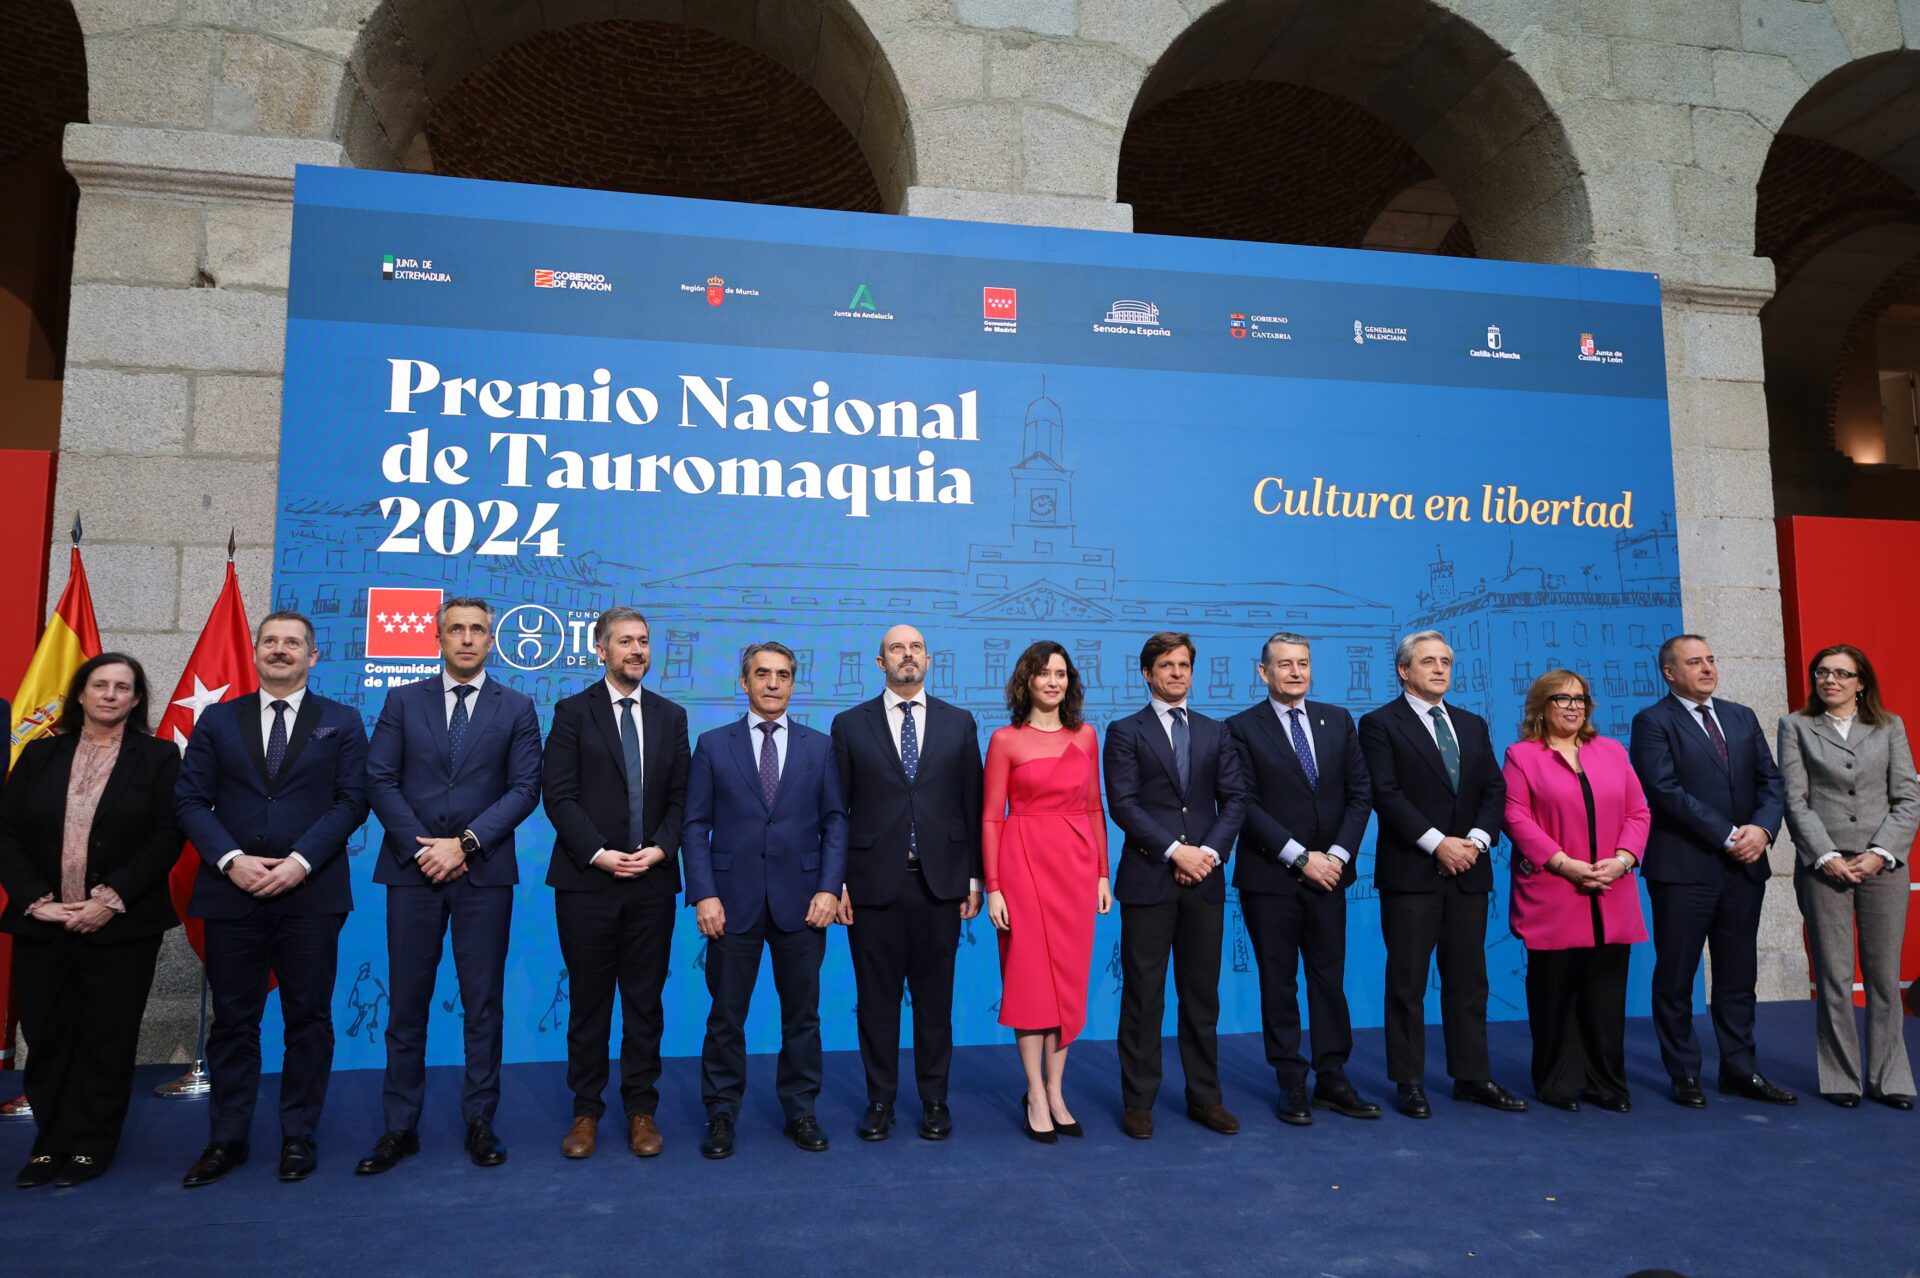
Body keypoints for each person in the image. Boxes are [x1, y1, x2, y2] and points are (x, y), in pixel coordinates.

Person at [176, 614, 369, 1188]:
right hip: (232, 893)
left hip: (310, 893)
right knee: (235, 1021)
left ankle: (298, 1136)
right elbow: (189, 800)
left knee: (307, 1018)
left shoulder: (342, 720)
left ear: (314, 656)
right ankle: (227, 1139)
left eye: (293, 644)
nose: (280, 651)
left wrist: (299, 862)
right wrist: (232, 861)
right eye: (270, 642)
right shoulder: (217, 719)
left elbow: (352, 801)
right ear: (256, 652)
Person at [358, 597, 543, 1172]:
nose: (466, 639)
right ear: (438, 638)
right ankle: (399, 1128)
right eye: (456, 629)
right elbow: (379, 778)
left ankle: (481, 1122)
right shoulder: (402, 700)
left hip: (483, 875)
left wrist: (462, 845)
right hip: (412, 873)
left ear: (492, 641)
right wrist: (426, 850)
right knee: (406, 1007)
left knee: (483, 1005)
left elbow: (524, 789)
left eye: (477, 630)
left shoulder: (516, 706)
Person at [0, 654, 182, 1188]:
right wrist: (37, 899)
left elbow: (167, 837)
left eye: (122, 687)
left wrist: (109, 898)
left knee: (107, 1036)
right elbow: (6, 832)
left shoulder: (159, 757)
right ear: (79, 695)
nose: (109, 694)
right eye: (99, 685)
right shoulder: (38, 755)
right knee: (48, 1033)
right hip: (44, 922)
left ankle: (91, 1144)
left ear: (135, 699)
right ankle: (49, 1143)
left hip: (121, 925)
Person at [682, 641, 848, 1159]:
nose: (773, 683)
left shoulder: (819, 747)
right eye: (762, 674)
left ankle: (801, 1110)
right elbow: (694, 825)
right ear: (744, 682)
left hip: (804, 903)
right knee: (725, 1016)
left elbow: (836, 821)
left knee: (803, 1015)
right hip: (730, 904)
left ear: (793, 684)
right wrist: (704, 894)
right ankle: (721, 1115)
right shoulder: (712, 744)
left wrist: (828, 886)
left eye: (782, 675)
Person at [541, 606, 690, 1158]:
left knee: (645, 1003)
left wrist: (661, 849)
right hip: (588, 883)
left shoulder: (672, 717)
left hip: (651, 883)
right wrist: (600, 854)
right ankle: (585, 1113)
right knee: (589, 1003)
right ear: (600, 649)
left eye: (644, 641)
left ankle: (641, 1112)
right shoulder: (573, 712)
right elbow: (557, 795)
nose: (637, 650)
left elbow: (682, 797)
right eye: (625, 641)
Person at [1358, 630, 1525, 1118]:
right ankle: (1408, 1081)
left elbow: (1494, 791)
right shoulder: (1378, 724)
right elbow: (1386, 795)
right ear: (1403, 670)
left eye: (1445, 661)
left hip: (1468, 872)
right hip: (1413, 872)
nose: (1439, 669)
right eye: (1427, 661)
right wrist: (1438, 843)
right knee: (1407, 983)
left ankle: (1472, 1076)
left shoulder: (1471, 724)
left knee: (1469, 980)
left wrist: (1474, 842)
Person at [830, 625, 983, 1142]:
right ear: (880, 663)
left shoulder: (959, 723)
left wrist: (975, 876)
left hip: (939, 885)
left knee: (936, 1002)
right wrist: (839, 881)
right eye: (896, 648)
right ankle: (880, 1101)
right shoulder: (849, 725)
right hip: (872, 886)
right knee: (876, 1002)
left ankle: (935, 1100)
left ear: (929, 658)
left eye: (916, 647)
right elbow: (837, 811)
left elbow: (973, 806)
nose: (907, 655)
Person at [1630, 634, 1793, 1108]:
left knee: (1738, 976)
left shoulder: (1741, 716)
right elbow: (1664, 790)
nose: (1706, 669)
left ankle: (1740, 1071)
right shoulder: (1652, 722)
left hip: (1745, 868)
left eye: (1710, 660)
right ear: (1669, 673)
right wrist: (1728, 835)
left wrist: (1762, 831)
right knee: (1677, 977)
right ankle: (1685, 1074)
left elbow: (1771, 781)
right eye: (1694, 662)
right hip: (1684, 870)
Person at [1225, 631, 1380, 1126]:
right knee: (1279, 981)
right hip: (1271, 878)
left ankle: (1333, 1078)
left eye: (1304, 663)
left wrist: (1334, 856)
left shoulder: (1337, 720)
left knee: (1328, 980)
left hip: (1330, 876)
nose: (1296, 672)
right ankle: (1291, 1080)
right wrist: (1299, 858)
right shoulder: (1240, 728)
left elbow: (1360, 794)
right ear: (1263, 671)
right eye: (1285, 664)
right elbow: (1243, 803)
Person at [1105, 632, 1245, 1139]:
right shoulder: (1124, 731)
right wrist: (1174, 851)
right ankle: (1138, 1101)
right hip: (1149, 878)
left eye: (1184, 664)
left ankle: (1205, 1098)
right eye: (1166, 665)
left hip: (1204, 880)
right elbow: (1124, 804)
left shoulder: (1216, 732)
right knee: (1144, 994)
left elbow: (1234, 801)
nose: (1177, 673)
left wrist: (1206, 854)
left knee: (1201, 996)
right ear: (1147, 673)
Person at [1501, 670, 1650, 1112]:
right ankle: (1557, 1082)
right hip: (1555, 890)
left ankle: (1607, 1084)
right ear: (1541, 707)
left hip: (1612, 888)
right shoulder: (1522, 756)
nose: (1572, 706)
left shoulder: (1611, 751)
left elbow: (1638, 811)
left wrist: (1622, 860)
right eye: (1562, 699)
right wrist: (1564, 864)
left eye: (1580, 699)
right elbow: (1515, 816)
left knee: (1605, 999)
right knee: (1554, 994)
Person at [1778, 644, 1919, 1109]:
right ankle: (1841, 1079)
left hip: (1884, 866)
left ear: (1862, 683)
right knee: (1836, 976)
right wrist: (1823, 854)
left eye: (1841, 673)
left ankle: (1890, 1076)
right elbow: (1795, 801)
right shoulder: (1795, 726)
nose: (1829, 680)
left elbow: (1907, 798)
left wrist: (1880, 853)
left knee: (1883, 976)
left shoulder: (1889, 726)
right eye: (1822, 672)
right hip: (1824, 867)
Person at [983, 641, 1111, 1144]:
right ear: (1027, 681)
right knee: (1031, 982)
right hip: (1023, 866)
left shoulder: (1087, 737)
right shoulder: (1004, 740)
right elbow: (992, 817)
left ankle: (1058, 1091)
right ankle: (1034, 1092)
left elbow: (1095, 809)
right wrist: (993, 886)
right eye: (1043, 673)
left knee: (1067, 986)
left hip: (1076, 870)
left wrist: (1102, 873)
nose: (1053, 681)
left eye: (1061, 673)